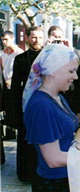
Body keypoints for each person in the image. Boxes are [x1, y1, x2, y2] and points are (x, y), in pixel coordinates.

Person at [23, 44, 79, 192]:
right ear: (53, 70)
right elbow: (53, 159)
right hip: (54, 186)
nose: (76, 77)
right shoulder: (42, 105)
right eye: (71, 71)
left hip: (66, 178)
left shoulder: (58, 97)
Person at [10, 26, 44, 182]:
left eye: (39, 37)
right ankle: (25, 173)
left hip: (44, 106)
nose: (36, 40)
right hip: (26, 106)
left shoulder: (48, 57)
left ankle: (41, 171)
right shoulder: (21, 58)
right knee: (25, 140)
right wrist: (14, 111)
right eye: (34, 37)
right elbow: (16, 86)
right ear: (28, 38)